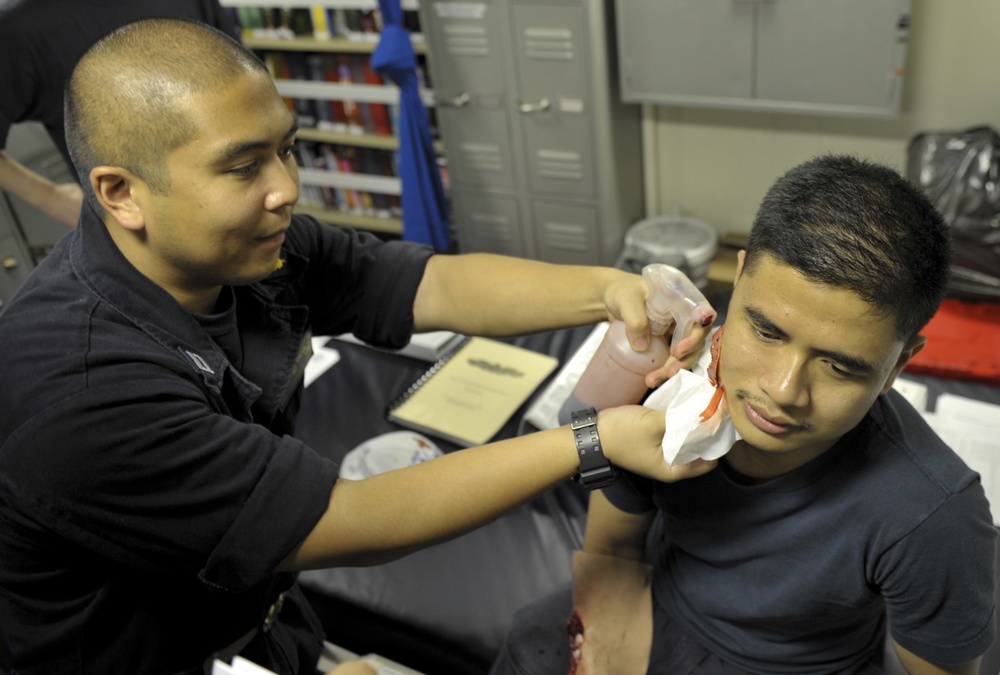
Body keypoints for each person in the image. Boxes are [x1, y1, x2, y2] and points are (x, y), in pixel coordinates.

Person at [0, 18, 714, 675]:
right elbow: (346, 519)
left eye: (286, 149)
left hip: (260, 617)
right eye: (244, 167)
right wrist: (594, 439)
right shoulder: (81, 385)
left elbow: (420, 284)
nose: (286, 187)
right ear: (121, 193)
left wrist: (610, 289)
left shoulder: (246, 254)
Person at [489, 155, 998, 675]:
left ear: (899, 365)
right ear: (738, 278)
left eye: (839, 367)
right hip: (649, 605)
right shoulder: (660, 395)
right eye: (766, 332)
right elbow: (614, 550)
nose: (781, 392)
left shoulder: (936, 516)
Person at [0, 0, 238, 227]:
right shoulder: (18, 28)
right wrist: (51, 198)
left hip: (241, 192)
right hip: (144, 233)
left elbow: (243, 80)